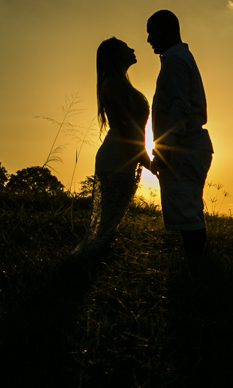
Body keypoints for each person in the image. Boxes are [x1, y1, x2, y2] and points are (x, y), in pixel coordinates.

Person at [73, 38, 153, 257]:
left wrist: (142, 156)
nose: (133, 49)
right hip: (118, 155)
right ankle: (94, 258)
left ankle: (98, 257)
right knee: (109, 217)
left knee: (113, 215)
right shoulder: (113, 84)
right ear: (116, 55)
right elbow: (127, 126)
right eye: (126, 47)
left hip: (125, 154)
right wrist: (144, 159)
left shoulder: (120, 83)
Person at [146, 9, 213, 261]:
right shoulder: (180, 58)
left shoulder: (175, 61)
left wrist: (165, 150)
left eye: (152, 33)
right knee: (190, 210)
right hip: (191, 146)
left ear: (166, 31)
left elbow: (179, 107)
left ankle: (195, 268)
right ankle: (197, 267)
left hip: (184, 148)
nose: (149, 39)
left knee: (186, 214)